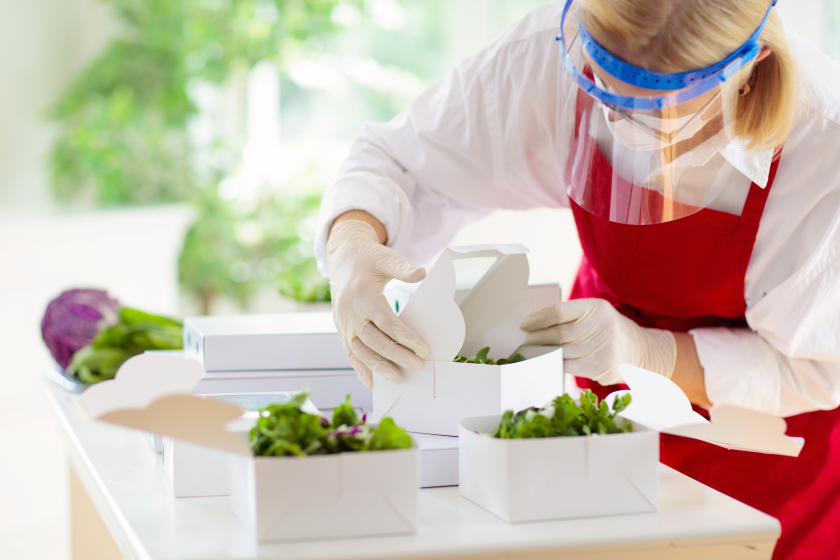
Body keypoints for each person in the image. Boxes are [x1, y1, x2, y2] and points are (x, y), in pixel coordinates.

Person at [315, 1, 840, 558]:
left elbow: (819, 368)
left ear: (746, 68)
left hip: (766, 458)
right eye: (603, 93)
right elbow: (402, 162)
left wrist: (651, 353)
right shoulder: (550, 48)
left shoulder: (823, 148)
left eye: (657, 111)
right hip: (599, 416)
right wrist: (352, 247)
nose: (619, 126)